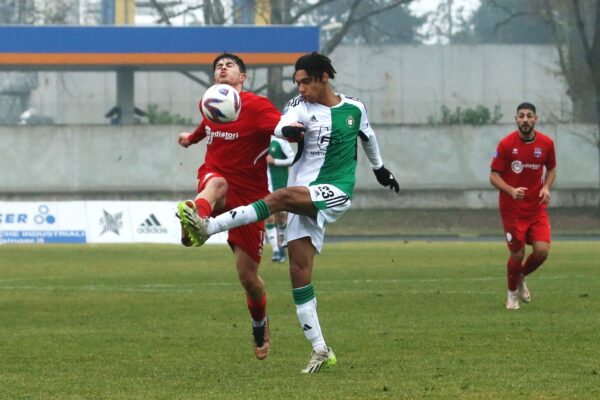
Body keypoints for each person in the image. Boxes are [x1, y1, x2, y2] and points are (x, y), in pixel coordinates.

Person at [178, 52, 400, 373]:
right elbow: (284, 126)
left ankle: (207, 227)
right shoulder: (297, 107)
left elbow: (368, 136)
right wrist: (290, 132)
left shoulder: (354, 108)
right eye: (296, 82)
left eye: (305, 81)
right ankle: (320, 349)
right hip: (303, 191)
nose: (300, 88)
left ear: (324, 77)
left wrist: (380, 169)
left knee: (278, 197)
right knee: (298, 271)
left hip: (334, 188)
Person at [176, 53, 281, 359]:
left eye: (229, 65)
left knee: (249, 279)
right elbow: (206, 128)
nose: (222, 68)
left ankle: (260, 323)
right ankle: (197, 219)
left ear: (242, 78)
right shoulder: (211, 102)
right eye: (217, 66)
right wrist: (190, 138)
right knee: (216, 184)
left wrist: (292, 131)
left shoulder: (258, 107)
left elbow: (282, 125)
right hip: (216, 179)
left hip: (250, 198)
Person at [490, 102, 557, 310]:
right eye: (521, 116)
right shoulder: (506, 144)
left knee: (542, 251)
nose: (525, 119)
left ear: (535, 119)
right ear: (516, 119)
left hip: (536, 207)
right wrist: (510, 190)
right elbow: (493, 176)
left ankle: (519, 276)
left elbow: (552, 168)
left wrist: (546, 186)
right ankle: (512, 296)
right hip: (512, 209)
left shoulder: (546, 143)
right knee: (517, 254)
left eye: (529, 116)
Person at [265, 136, 295, 263]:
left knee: (282, 218)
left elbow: (292, 158)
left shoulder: (281, 141)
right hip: (266, 185)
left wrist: (275, 161)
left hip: (280, 183)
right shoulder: (261, 139)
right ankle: (276, 250)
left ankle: (282, 244)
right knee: (269, 216)